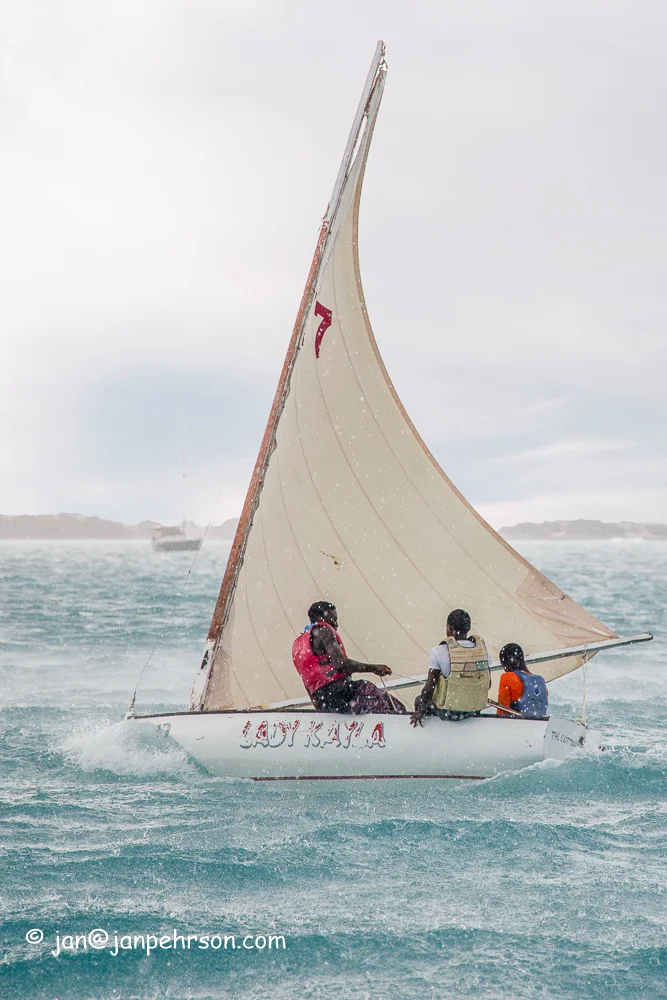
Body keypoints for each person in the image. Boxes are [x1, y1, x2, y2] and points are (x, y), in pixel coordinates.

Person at [292, 601, 406, 714]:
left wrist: (321, 708)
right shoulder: (324, 630)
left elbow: (307, 681)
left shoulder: (298, 645)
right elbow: (340, 663)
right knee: (389, 703)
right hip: (344, 693)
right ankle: (402, 722)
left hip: (324, 700)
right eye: (333, 619)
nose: (336, 625)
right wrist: (374, 668)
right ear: (320, 618)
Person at [410, 609, 492, 726]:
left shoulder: (439, 651)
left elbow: (429, 688)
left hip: (448, 712)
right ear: (468, 629)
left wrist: (421, 709)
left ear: (449, 628)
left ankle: (427, 731)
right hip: (474, 711)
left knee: (420, 700)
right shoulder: (483, 651)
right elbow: (488, 684)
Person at [496, 643, 548, 718]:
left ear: (503, 662)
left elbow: (502, 713)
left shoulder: (507, 678)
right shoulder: (540, 681)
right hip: (538, 727)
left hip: (517, 727)